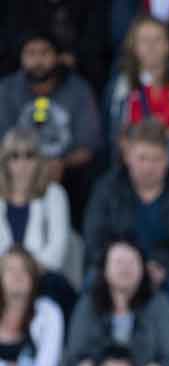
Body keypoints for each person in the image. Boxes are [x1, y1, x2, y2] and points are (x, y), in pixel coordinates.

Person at [83, 119, 169, 353]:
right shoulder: (108, 188)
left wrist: (164, 266)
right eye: (141, 158)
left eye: (156, 159)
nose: (148, 166)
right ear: (128, 156)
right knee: (92, 281)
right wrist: (124, 267)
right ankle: (95, 356)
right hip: (119, 266)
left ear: (168, 159)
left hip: (167, 268)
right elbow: (94, 241)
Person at [63, 238, 169, 366]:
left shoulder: (159, 302)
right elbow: (77, 353)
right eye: (118, 262)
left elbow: (167, 353)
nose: (125, 268)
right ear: (105, 269)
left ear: (143, 268)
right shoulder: (88, 303)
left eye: (132, 262)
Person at [0, 29, 101, 222]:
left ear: (57, 57)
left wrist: (62, 164)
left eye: (45, 53)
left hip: (68, 175)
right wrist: (27, 165)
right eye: (31, 53)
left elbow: (89, 144)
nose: (38, 61)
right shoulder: (6, 90)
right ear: (21, 58)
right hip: (14, 172)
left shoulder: (78, 89)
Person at [104, 14, 169, 177]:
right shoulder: (119, 85)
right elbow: (115, 141)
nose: (151, 46)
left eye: (157, 40)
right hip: (132, 170)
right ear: (134, 46)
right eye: (144, 40)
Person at [0, 127, 76, 319]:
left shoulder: (55, 194)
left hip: (43, 277)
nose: (22, 163)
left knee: (53, 286)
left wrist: (23, 274)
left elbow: (57, 252)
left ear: (39, 160)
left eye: (29, 156)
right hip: (2, 277)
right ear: (5, 161)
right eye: (14, 156)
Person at [0, 246, 63, 366]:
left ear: (33, 277)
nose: (17, 276)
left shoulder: (49, 312)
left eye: (24, 270)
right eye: (11, 270)